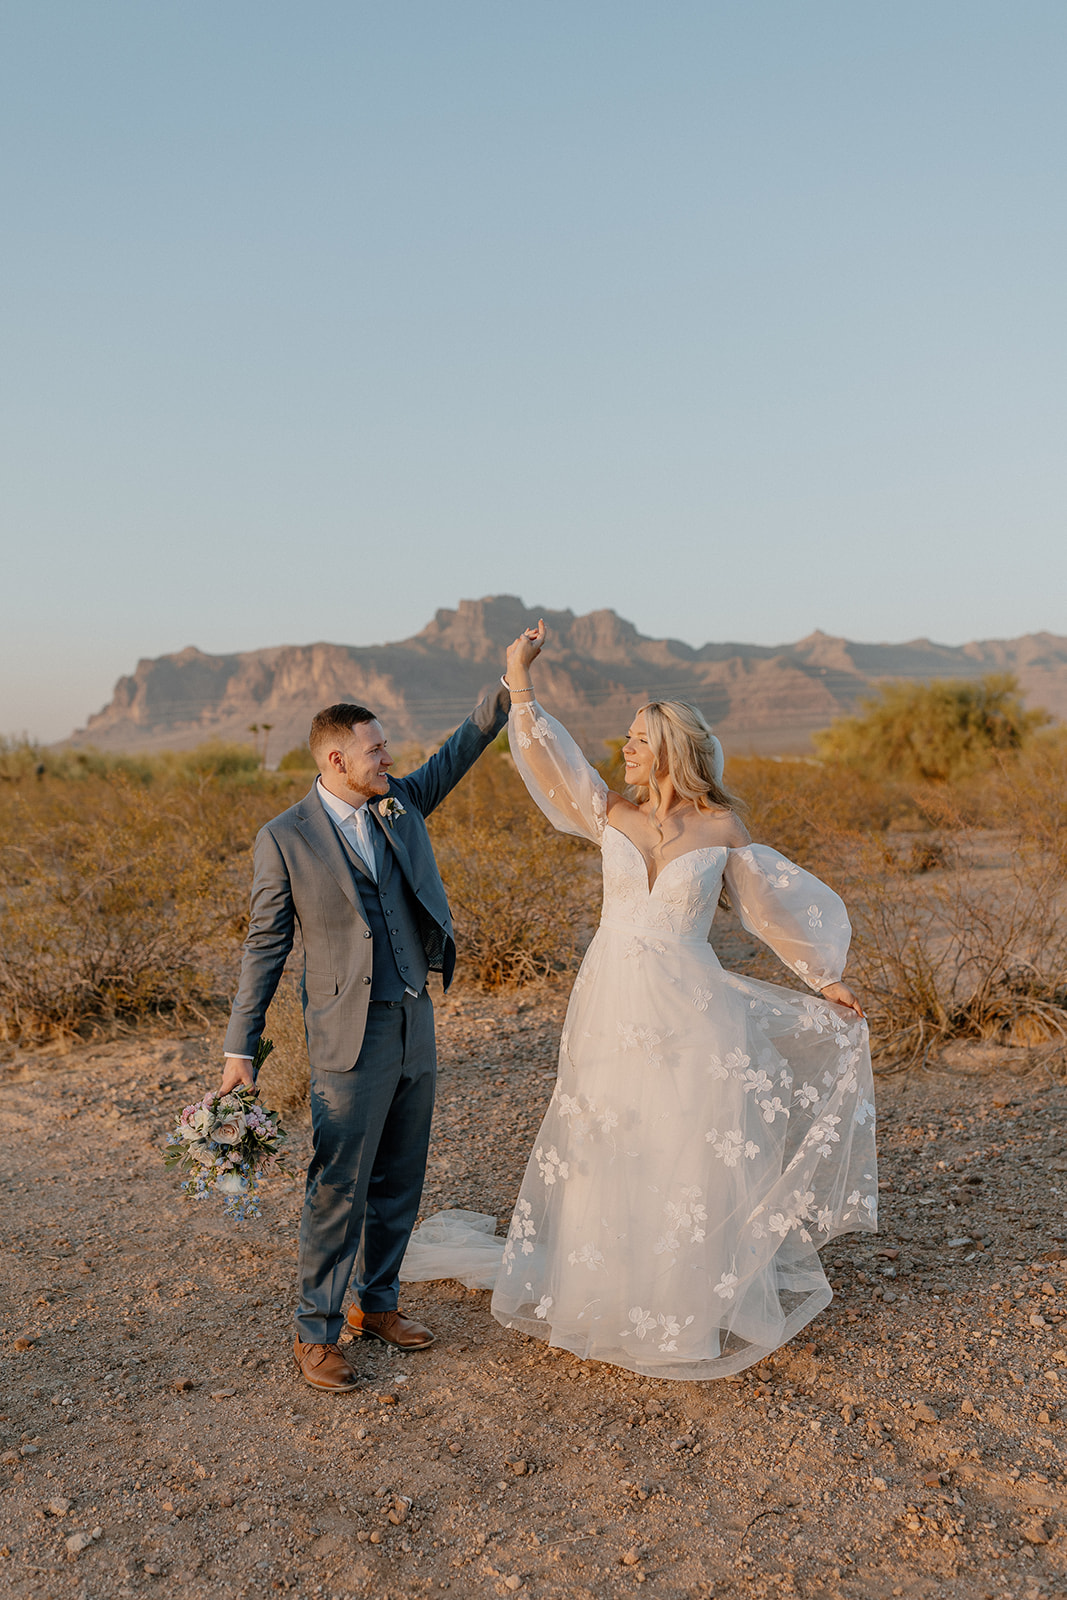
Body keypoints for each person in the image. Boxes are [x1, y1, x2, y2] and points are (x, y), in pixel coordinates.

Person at [404, 621, 877, 1380]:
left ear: (669, 747)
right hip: (612, 997)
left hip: (693, 1005)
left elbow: (770, 909)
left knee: (686, 1138)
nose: (621, 748)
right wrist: (516, 677)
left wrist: (825, 978)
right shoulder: (609, 814)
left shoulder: (722, 827)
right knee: (604, 1134)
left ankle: (678, 1306)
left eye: (634, 738)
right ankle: (599, 1294)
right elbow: (547, 757)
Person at [219, 683, 510, 1391]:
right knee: (338, 1185)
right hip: (348, 1034)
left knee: (402, 1176)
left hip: (414, 1018)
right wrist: (240, 1051)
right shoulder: (284, 838)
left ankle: (376, 1306)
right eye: (376, 749)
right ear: (336, 757)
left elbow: (455, 754)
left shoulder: (399, 802)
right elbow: (264, 946)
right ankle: (314, 1333)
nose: (390, 757)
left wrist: (509, 687)